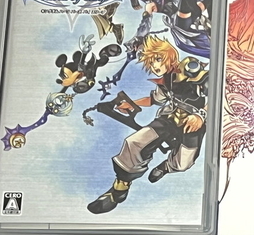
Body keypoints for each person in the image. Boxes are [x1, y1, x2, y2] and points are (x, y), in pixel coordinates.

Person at [87, 36, 207, 213]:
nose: (155, 66)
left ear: (170, 55)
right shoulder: (166, 80)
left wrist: (201, 116)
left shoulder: (193, 71)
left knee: (183, 164)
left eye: (157, 59)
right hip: (169, 119)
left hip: (192, 125)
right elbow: (154, 100)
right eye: (151, 63)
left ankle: (166, 167)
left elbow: (218, 96)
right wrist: (131, 104)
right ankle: (119, 189)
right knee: (134, 143)